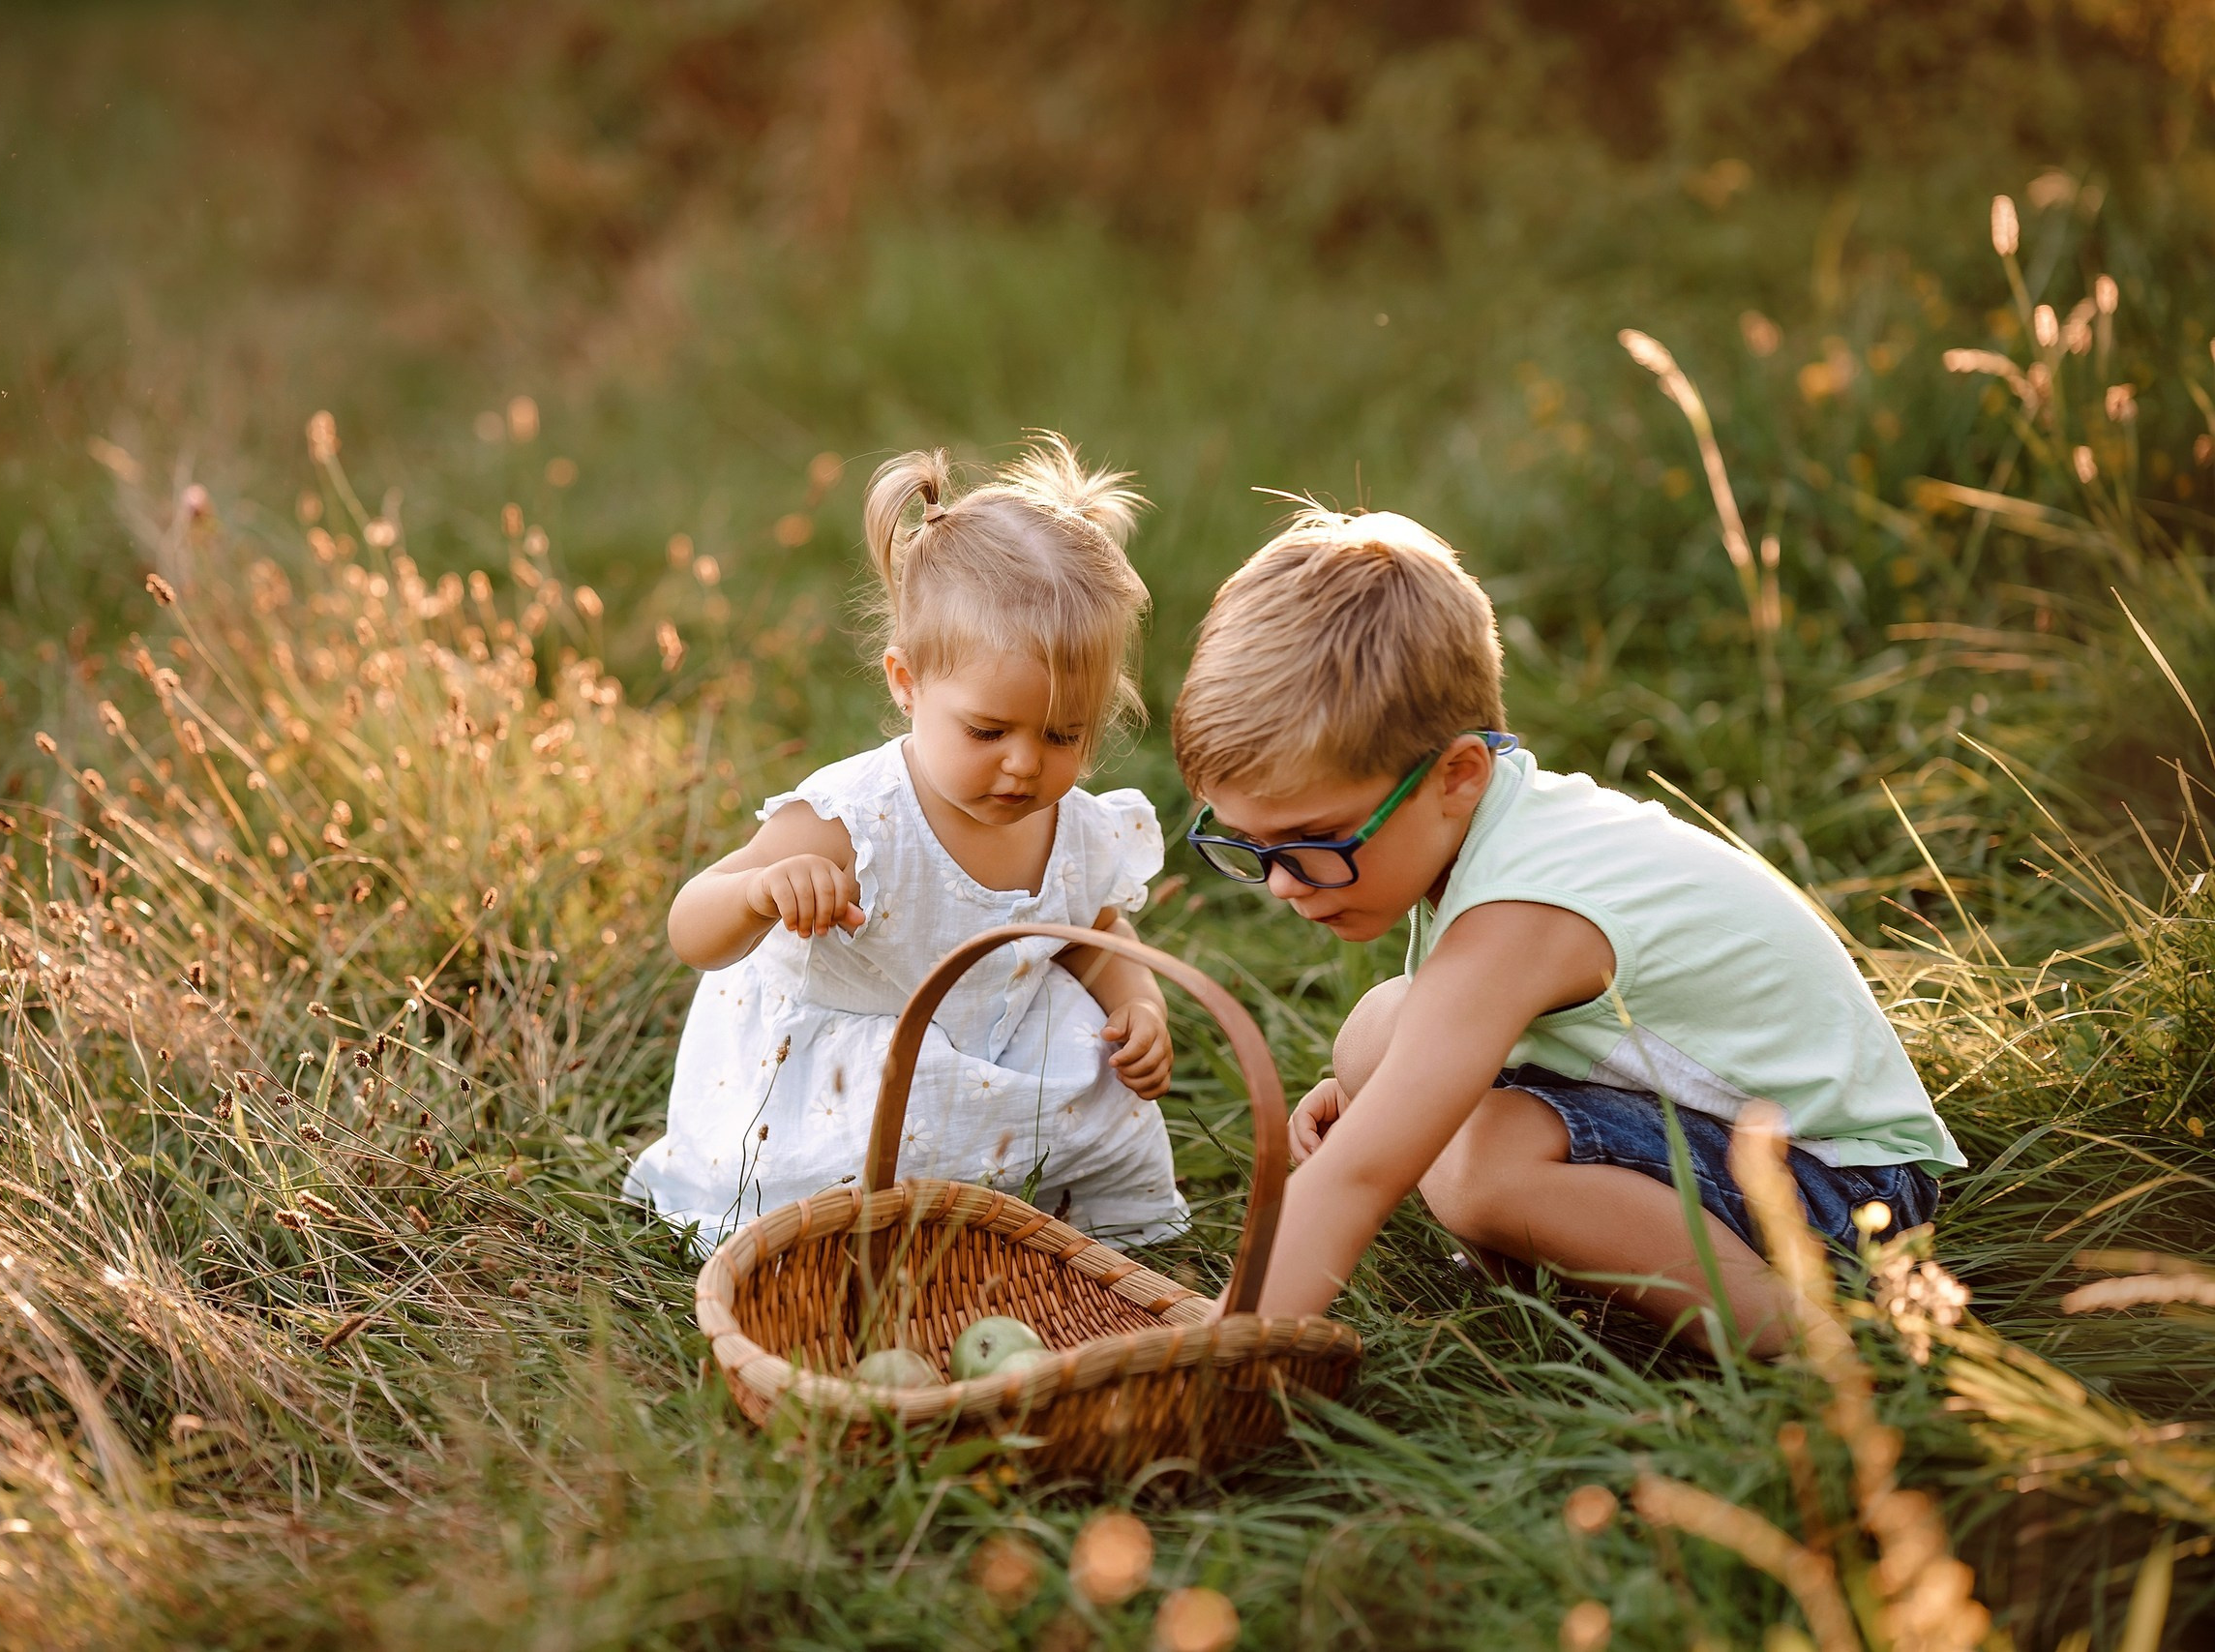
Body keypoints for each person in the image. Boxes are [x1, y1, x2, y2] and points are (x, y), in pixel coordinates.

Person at [1170, 505, 1964, 1353]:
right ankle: (1582, 1287)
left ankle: (1816, 1333)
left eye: (1319, 841)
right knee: (1378, 1032)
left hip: (1847, 1194)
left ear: (1456, 775)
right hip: (1743, 1128)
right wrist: (1389, 1091)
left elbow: (1358, 1175)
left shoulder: (1524, 909)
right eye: (1250, 845)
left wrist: (1212, 1348)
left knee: (1482, 1164)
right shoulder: (1499, 818)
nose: (1285, 883)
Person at [626, 436, 1186, 1252]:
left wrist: (1138, 1001)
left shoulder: (1074, 828)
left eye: (1065, 734)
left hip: (990, 1049)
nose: (1025, 763)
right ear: (906, 682)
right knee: (866, 1161)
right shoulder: (855, 817)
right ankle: (870, 1228)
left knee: (1096, 1079)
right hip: (848, 1079)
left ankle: (1028, 1219)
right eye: (988, 729)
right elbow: (690, 927)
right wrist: (761, 892)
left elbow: (1095, 936)